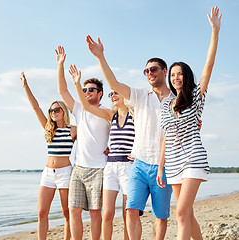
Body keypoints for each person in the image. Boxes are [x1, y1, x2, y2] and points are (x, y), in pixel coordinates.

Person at [86, 36, 173, 240]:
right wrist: (101, 57)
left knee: (160, 216)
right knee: (131, 211)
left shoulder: (176, 100)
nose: (149, 73)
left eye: (153, 69)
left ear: (164, 71)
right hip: (139, 164)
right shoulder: (140, 95)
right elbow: (114, 83)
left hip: (166, 165)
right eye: (146, 71)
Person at [156, 7, 222, 240]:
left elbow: (209, 65)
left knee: (181, 213)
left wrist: (215, 31)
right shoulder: (165, 104)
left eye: (180, 74)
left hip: (193, 156)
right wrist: (161, 166)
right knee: (188, 213)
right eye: (173, 74)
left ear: (187, 76)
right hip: (173, 162)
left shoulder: (195, 96)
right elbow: (164, 136)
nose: (176, 77)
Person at [69, 64, 134, 240]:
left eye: (116, 92)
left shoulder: (136, 115)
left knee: (129, 212)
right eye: (111, 93)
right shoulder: (109, 114)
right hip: (111, 165)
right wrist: (76, 84)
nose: (113, 95)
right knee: (108, 214)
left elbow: (149, 129)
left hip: (127, 166)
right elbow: (87, 107)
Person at [55, 46, 110, 240]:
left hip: (99, 169)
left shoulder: (106, 112)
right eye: (84, 89)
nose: (86, 92)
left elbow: (122, 130)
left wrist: (113, 148)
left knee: (95, 213)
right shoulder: (79, 109)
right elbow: (62, 91)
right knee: (73, 211)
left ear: (100, 93)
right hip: (78, 168)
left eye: (91, 89)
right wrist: (60, 65)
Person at [20, 72, 77, 240]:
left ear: (63, 111)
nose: (53, 112)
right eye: (51, 110)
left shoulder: (72, 129)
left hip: (65, 173)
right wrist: (25, 86)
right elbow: (35, 107)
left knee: (67, 213)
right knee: (41, 212)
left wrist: (107, 149)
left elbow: (91, 138)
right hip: (47, 174)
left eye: (56, 109)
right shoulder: (48, 129)